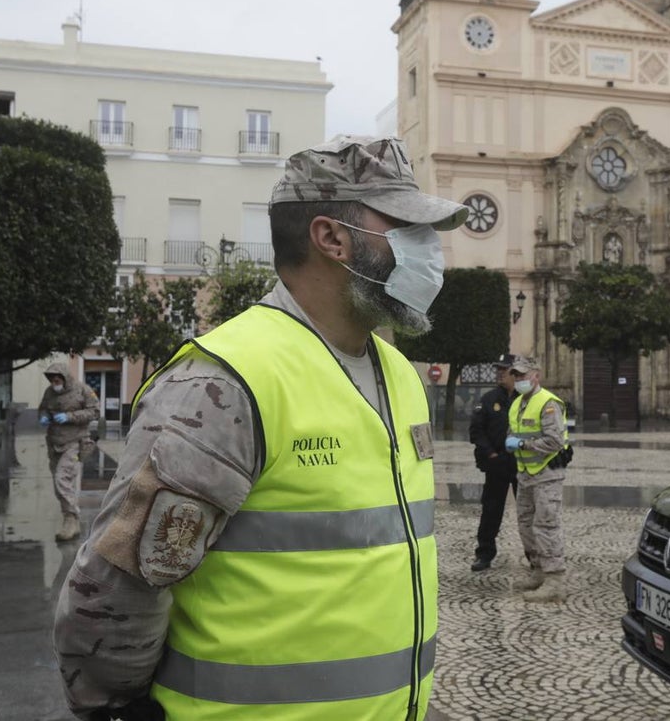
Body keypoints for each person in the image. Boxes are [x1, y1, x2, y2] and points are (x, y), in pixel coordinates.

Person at [52, 135, 467, 721]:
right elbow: (114, 589)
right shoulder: (223, 381)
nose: (430, 250)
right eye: (408, 227)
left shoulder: (397, 371)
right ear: (331, 238)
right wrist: (116, 709)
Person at [504, 355, 569, 603]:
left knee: (546, 525)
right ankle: (538, 571)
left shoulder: (549, 403)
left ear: (536, 375)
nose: (519, 379)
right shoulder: (517, 403)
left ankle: (555, 581)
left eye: (523, 375)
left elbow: (555, 441)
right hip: (526, 474)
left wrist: (522, 443)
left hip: (546, 475)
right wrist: (512, 443)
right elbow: (513, 432)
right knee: (525, 525)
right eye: (516, 375)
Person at [468, 353, 519, 572]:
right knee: (491, 510)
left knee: (527, 512)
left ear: (514, 374)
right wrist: (490, 454)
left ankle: (535, 555)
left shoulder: (525, 400)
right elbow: (476, 431)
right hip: (496, 463)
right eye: (497, 369)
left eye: (504, 370)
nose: (499, 373)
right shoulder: (489, 399)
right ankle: (485, 553)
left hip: (521, 464)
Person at [37, 361, 100, 542]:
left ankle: (70, 519)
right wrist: (43, 417)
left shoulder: (82, 390)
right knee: (59, 486)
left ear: (65, 377)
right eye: (51, 379)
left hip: (75, 442)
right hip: (54, 442)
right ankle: (71, 519)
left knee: (62, 479)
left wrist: (70, 417)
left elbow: (94, 411)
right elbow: (42, 408)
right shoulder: (49, 393)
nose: (54, 382)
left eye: (57, 378)